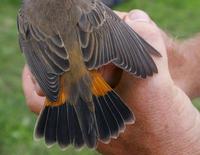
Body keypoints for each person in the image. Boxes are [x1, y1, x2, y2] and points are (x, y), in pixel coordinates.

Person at [22, 10, 200, 154]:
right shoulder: (88, 6)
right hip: (88, 77)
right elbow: (111, 26)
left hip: (59, 75)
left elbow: (33, 51)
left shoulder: (26, 15)